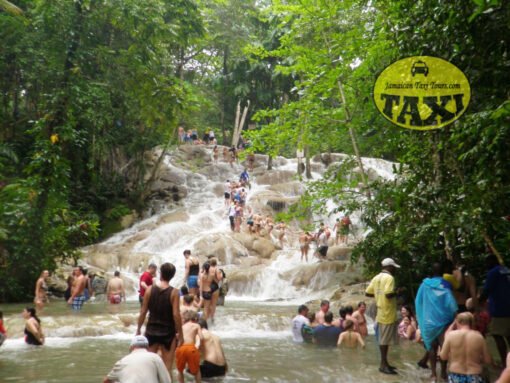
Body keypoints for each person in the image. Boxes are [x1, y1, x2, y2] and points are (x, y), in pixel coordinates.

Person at [137, 262, 184, 376]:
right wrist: (181, 335)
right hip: (168, 333)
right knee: (167, 370)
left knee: (148, 368)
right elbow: (176, 315)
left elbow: (143, 312)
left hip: (151, 331)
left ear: (160, 273)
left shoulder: (149, 290)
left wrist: (138, 329)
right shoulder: (174, 292)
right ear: (172, 276)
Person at [415, 262, 458, 381]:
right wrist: (456, 315)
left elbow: (418, 302)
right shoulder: (445, 284)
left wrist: (421, 318)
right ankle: (443, 373)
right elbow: (450, 302)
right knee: (443, 348)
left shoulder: (424, 285)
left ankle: (433, 374)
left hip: (428, 321)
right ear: (443, 271)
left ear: (432, 271)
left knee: (432, 348)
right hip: (444, 321)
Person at [365, 258, 401, 375]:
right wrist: (398, 291)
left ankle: (385, 363)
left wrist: (378, 295)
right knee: (384, 341)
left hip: (380, 311)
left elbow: (367, 292)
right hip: (388, 312)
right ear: (389, 267)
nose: (395, 269)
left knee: (383, 340)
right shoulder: (389, 278)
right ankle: (383, 365)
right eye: (394, 267)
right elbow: (389, 294)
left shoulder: (376, 277)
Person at [440, 312, 492, 383]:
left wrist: (452, 325)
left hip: (456, 374)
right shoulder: (479, 337)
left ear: (457, 322)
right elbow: (488, 360)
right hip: (475, 375)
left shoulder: (451, 336)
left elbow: (443, 357)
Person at [479, 254, 510, 367]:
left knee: (497, 335)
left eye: (486, 263)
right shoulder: (506, 269)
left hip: (499, 309)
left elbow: (487, 290)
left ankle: (504, 363)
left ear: (491, 262)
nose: (486, 265)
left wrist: (478, 302)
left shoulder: (493, 273)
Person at [103, 335, 171, 383]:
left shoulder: (122, 361)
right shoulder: (155, 357)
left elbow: (106, 381)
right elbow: (167, 381)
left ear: (131, 347)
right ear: (147, 348)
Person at [176, 310, 203, 383]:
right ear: (195, 318)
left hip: (181, 348)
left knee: (180, 370)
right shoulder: (196, 325)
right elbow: (201, 338)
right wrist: (200, 348)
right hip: (191, 348)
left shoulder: (182, 326)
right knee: (196, 371)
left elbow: (177, 337)